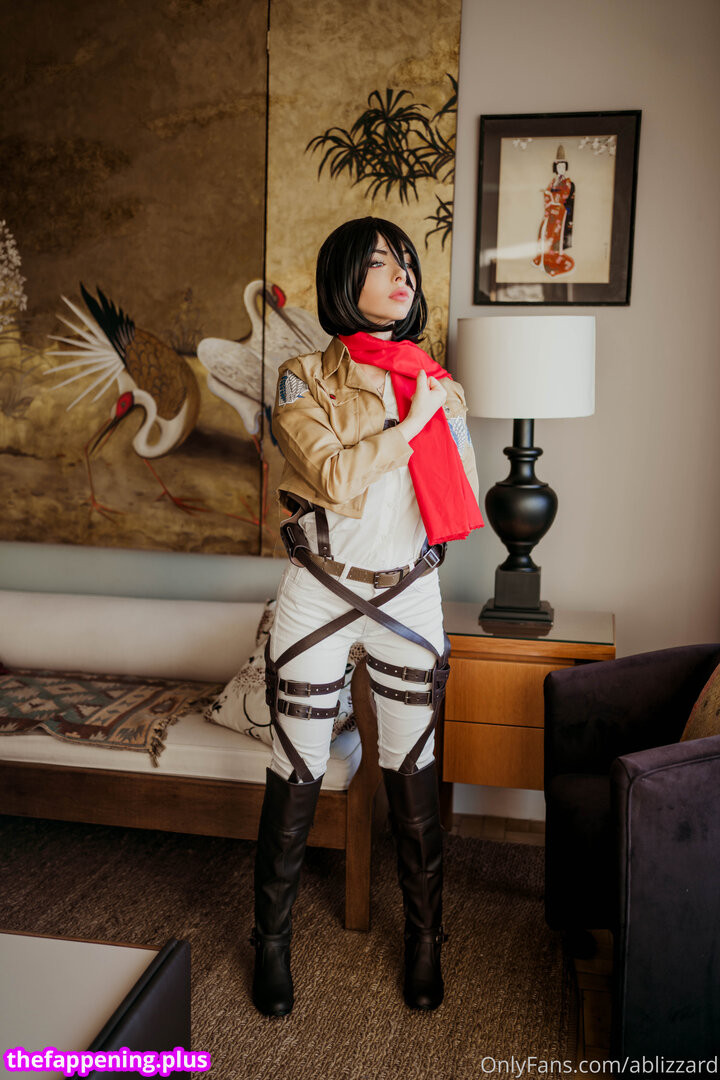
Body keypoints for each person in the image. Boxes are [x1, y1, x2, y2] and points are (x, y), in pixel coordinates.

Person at [251, 216, 482, 1019]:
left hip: (408, 596)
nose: (402, 273)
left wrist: (437, 413)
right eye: (382, 262)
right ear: (345, 278)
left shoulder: (438, 381)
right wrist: (413, 424)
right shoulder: (300, 380)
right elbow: (333, 477)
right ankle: (270, 944)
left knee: (412, 774)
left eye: (407, 261)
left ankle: (425, 940)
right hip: (319, 592)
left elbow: (458, 495)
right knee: (297, 768)